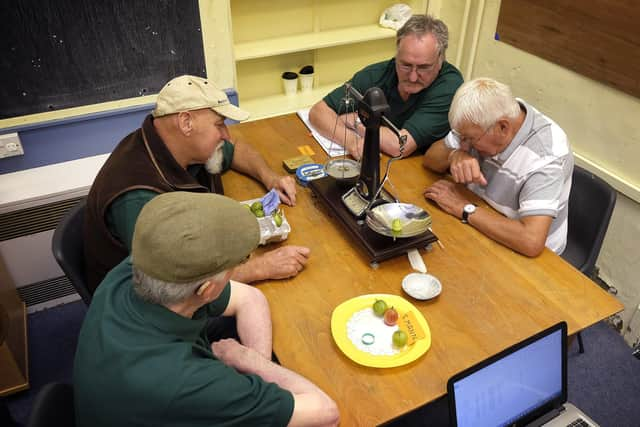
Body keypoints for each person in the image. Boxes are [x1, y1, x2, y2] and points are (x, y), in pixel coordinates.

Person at [74, 192, 340, 427]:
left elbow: (250, 298)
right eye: (240, 261)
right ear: (206, 290)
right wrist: (250, 363)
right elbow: (326, 414)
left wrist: (257, 382)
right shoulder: (187, 383)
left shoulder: (138, 269)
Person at [84, 75, 310, 293]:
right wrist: (259, 268)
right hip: (146, 307)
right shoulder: (139, 198)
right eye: (219, 124)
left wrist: (270, 177)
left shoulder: (177, 144)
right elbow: (176, 285)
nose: (226, 135)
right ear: (186, 122)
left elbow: (237, 148)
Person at [422, 77, 573, 257]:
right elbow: (430, 159)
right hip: (481, 220)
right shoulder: (485, 116)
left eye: (469, 139)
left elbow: (530, 240)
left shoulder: (546, 157)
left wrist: (464, 208)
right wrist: (454, 154)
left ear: (503, 127)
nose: (464, 144)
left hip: (528, 255)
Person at [308, 14, 463, 159]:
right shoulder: (378, 73)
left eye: (423, 68)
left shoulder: (449, 87)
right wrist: (352, 142)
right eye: (406, 65)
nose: (413, 76)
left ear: (441, 60)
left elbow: (399, 147)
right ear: (396, 55)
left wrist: (357, 122)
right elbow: (318, 112)